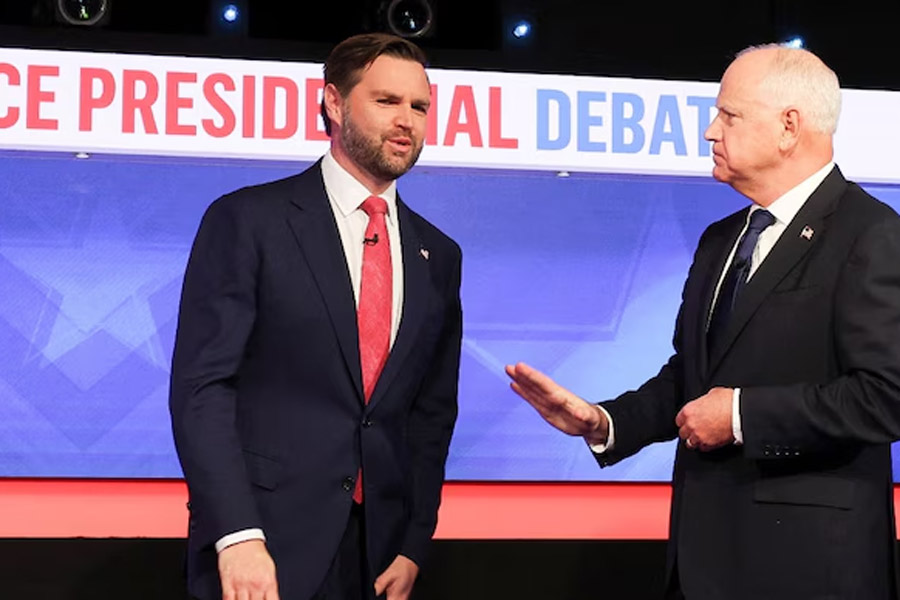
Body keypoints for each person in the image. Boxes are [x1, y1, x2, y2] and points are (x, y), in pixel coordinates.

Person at [507, 44, 900, 599]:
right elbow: (692, 374)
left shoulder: (872, 234)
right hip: (702, 562)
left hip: (809, 569)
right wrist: (605, 421)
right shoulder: (721, 239)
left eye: (728, 115)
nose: (711, 132)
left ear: (789, 126)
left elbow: (886, 396)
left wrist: (741, 415)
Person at [170, 33, 462, 600]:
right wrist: (235, 533)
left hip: (379, 558)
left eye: (419, 106)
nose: (407, 120)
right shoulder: (248, 220)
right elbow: (202, 389)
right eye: (386, 101)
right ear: (332, 101)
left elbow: (432, 413)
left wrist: (413, 541)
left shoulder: (439, 254)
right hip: (262, 547)